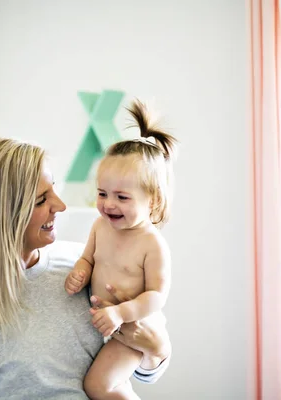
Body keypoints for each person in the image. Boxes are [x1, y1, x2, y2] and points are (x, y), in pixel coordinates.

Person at [0, 134, 171, 399]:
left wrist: (157, 350)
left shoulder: (85, 267)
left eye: (54, 189)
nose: (61, 206)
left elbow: (140, 368)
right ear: (0, 214)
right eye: (42, 199)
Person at [65, 100, 176, 400]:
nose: (108, 204)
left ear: (152, 200)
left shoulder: (152, 244)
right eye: (102, 193)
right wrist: (80, 272)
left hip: (133, 326)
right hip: (107, 321)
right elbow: (88, 258)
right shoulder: (100, 227)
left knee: (101, 386)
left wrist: (121, 313)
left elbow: (156, 295)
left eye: (122, 197)